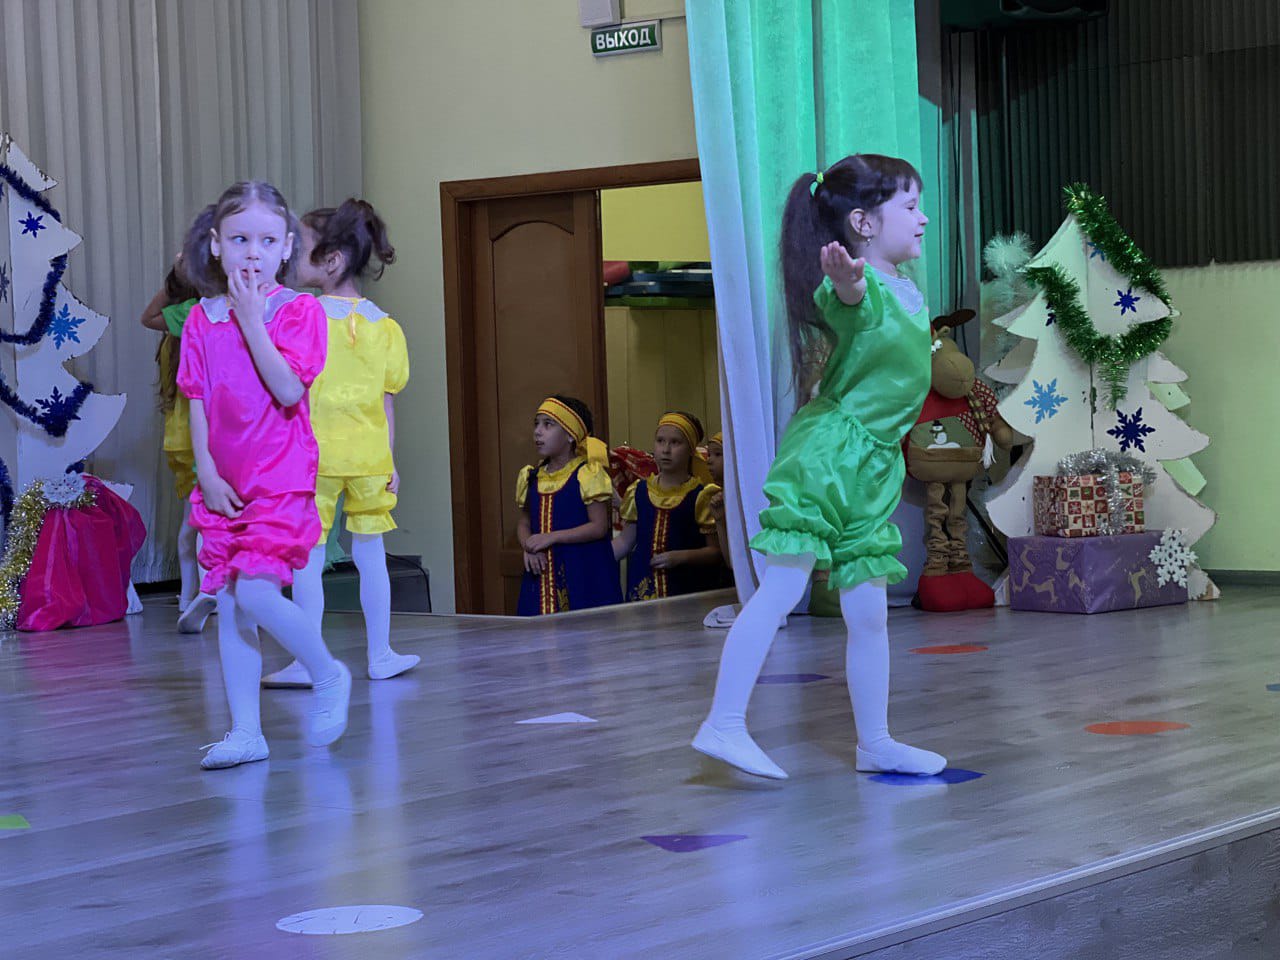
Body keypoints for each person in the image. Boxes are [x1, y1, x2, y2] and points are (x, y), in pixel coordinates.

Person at [693, 155, 947, 781]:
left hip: (872, 464)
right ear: (863, 222)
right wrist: (846, 282)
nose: (923, 218)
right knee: (783, 588)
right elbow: (846, 300)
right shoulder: (859, 288)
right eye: (909, 206)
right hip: (830, 454)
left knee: (869, 612)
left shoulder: (904, 287)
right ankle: (723, 722)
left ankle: (875, 743)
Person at [178, 181, 350, 769]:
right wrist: (205, 471)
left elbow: (288, 388)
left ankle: (328, 673)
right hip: (225, 483)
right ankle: (246, 732)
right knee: (231, 603)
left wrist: (253, 321)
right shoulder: (200, 319)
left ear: (286, 249)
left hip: (280, 477)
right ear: (216, 245)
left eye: (267, 241)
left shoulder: (299, 311)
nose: (253, 252)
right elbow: (196, 399)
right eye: (240, 239)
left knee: (254, 591)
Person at [261, 199, 418, 687]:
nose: (290, 258)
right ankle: (381, 654)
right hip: (371, 457)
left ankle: (309, 661)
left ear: (332, 260)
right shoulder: (386, 327)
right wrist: (390, 460)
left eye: (301, 249)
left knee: (308, 558)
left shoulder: (299, 313)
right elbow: (387, 401)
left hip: (314, 456)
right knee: (371, 554)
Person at [515, 396, 621, 615]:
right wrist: (529, 546)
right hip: (542, 574)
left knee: (582, 630)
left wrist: (551, 537)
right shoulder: (532, 476)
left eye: (548, 424)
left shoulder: (588, 474)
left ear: (570, 435)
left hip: (582, 572)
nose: (538, 432)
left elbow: (598, 526)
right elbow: (524, 522)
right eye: (536, 424)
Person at [614, 412, 722, 601]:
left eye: (675, 442)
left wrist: (681, 557)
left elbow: (715, 552)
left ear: (691, 450)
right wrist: (593, 559)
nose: (665, 449)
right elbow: (624, 542)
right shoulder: (638, 491)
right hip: (642, 587)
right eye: (660, 441)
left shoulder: (701, 496)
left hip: (685, 591)